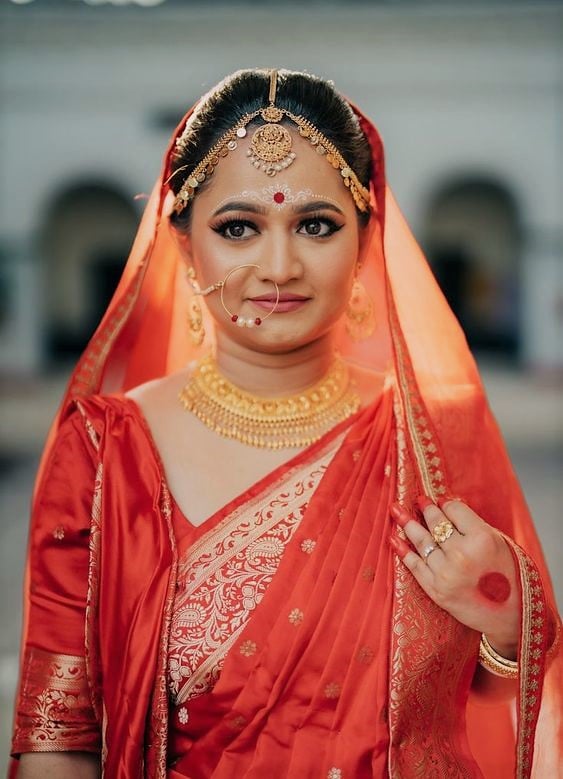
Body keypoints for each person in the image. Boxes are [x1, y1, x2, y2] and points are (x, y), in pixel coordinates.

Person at [8, 68, 561, 779]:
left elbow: (490, 692)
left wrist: (508, 623)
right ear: (182, 242)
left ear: (365, 240)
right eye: (237, 227)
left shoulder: (434, 436)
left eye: (315, 225)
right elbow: (58, 738)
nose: (278, 265)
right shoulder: (102, 448)